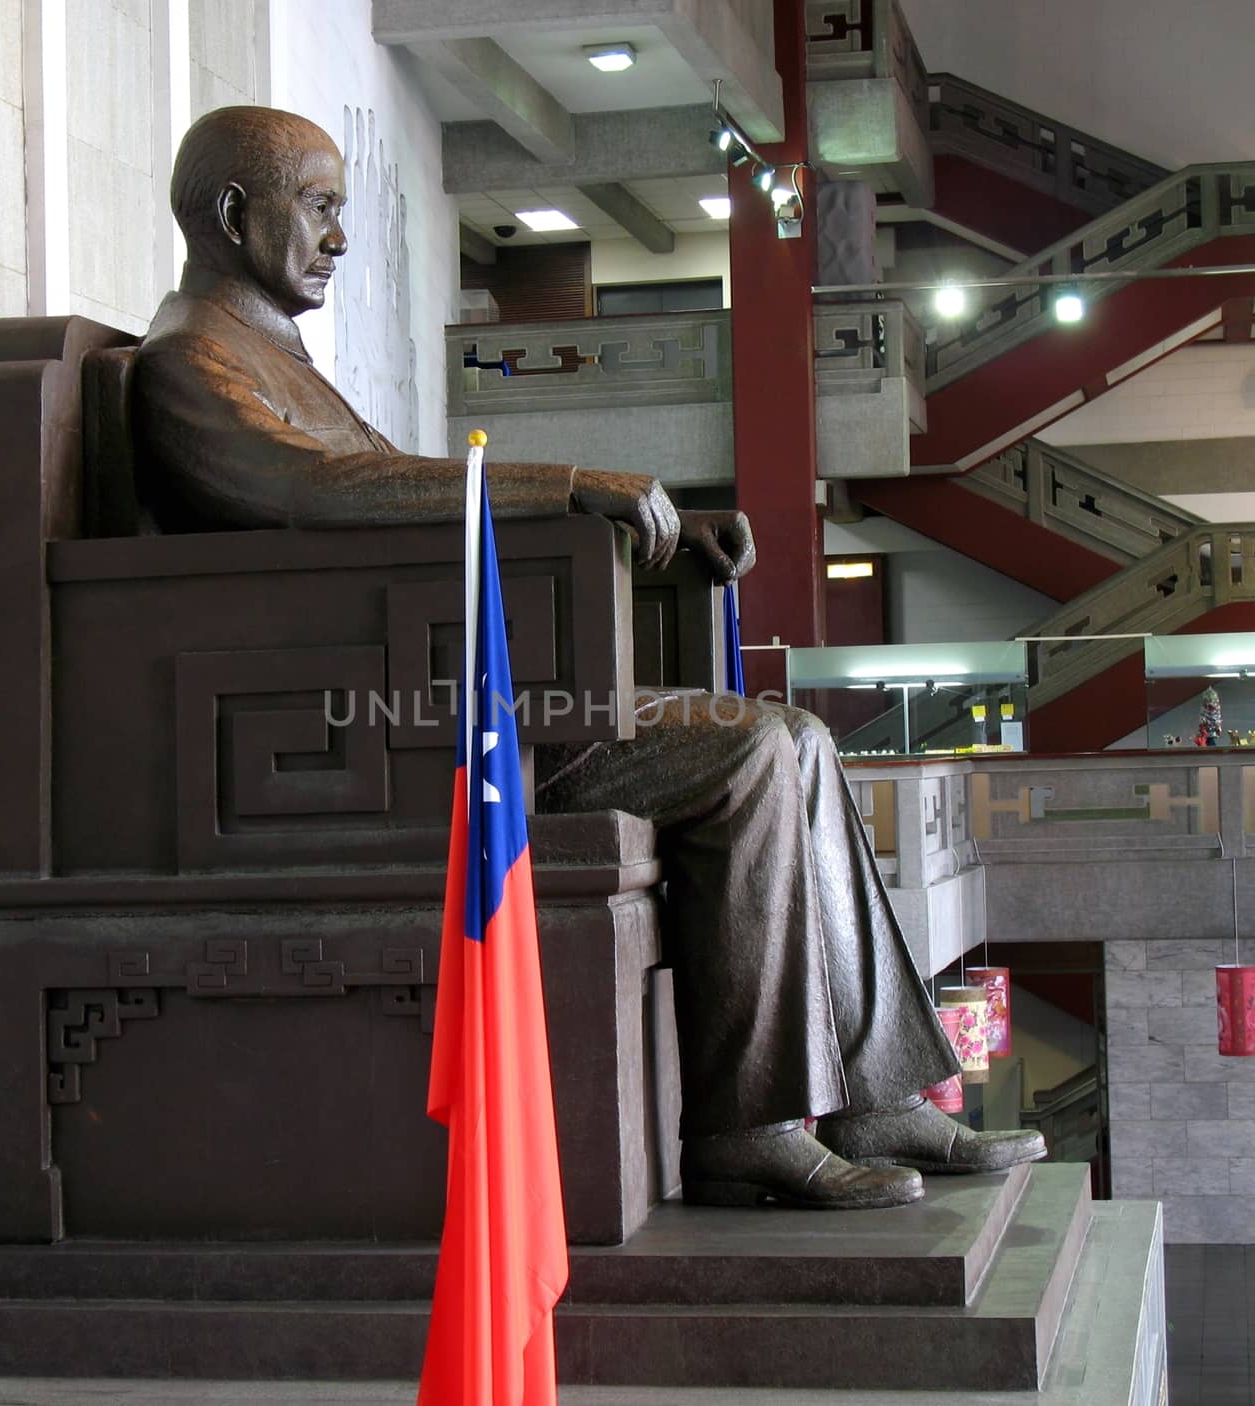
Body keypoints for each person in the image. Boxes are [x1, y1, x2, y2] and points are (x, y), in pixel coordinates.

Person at [133, 106, 1044, 1210]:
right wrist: (570, 485)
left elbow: (385, 490)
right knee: (755, 746)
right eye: (320, 207)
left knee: (794, 734)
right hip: (380, 734)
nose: (339, 239)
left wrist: (636, 517)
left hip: (426, 701)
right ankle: (742, 1123)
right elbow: (318, 494)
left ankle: (874, 1091)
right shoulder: (190, 365)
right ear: (234, 215)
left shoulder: (262, 356)